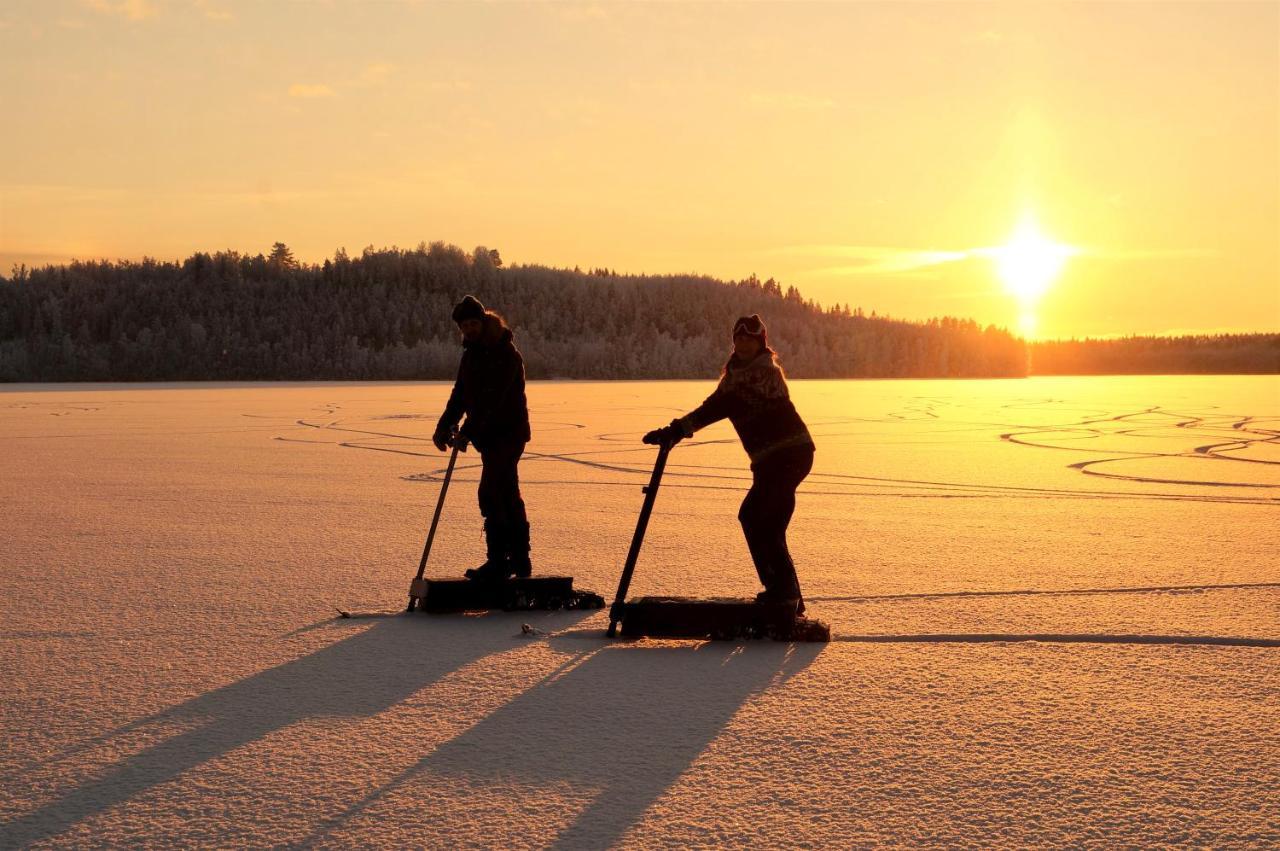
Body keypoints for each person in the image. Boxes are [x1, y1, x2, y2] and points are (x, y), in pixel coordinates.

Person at [643, 314, 815, 612]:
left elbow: (720, 406)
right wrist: (674, 431)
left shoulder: (764, 374)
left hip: (789, 455)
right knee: (758, 519)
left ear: (761, 344)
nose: (743, 344)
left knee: (760, 519)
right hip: (769, 460)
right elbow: (714, 406)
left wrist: (679, 429)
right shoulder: (736, 377)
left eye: (749, 339)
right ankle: (786, 595)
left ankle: (784, 595)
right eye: (739, 339)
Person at [433, 295, 533, 581]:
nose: (469, 330)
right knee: (506, 493)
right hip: (489, 437)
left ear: (483, 321)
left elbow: (493, 400)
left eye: (473, 323)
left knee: (492, 492)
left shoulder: (505, 353)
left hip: (509, 434)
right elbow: (461, 394)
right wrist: (445, 426)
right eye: (464, 326)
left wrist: (467, 432)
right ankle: (517, 561)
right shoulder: (472, 354)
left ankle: (502, 561)